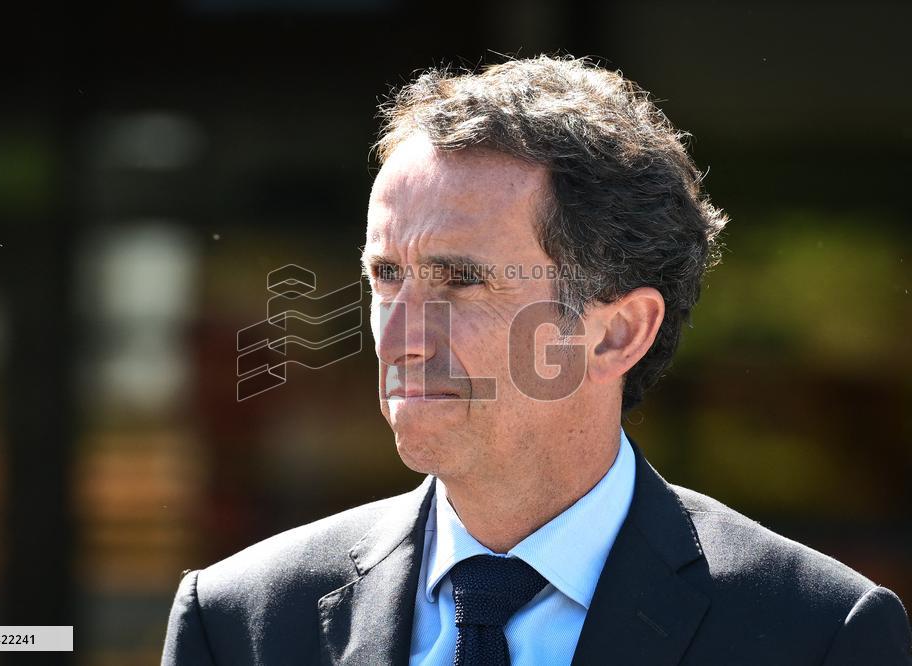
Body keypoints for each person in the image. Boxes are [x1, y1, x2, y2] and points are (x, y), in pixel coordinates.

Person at [162, 55, 912, 665]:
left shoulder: (816, 634)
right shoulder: (241, 623)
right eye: (387, 275)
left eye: (461, 280)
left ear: (618, 333)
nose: (400, 335)